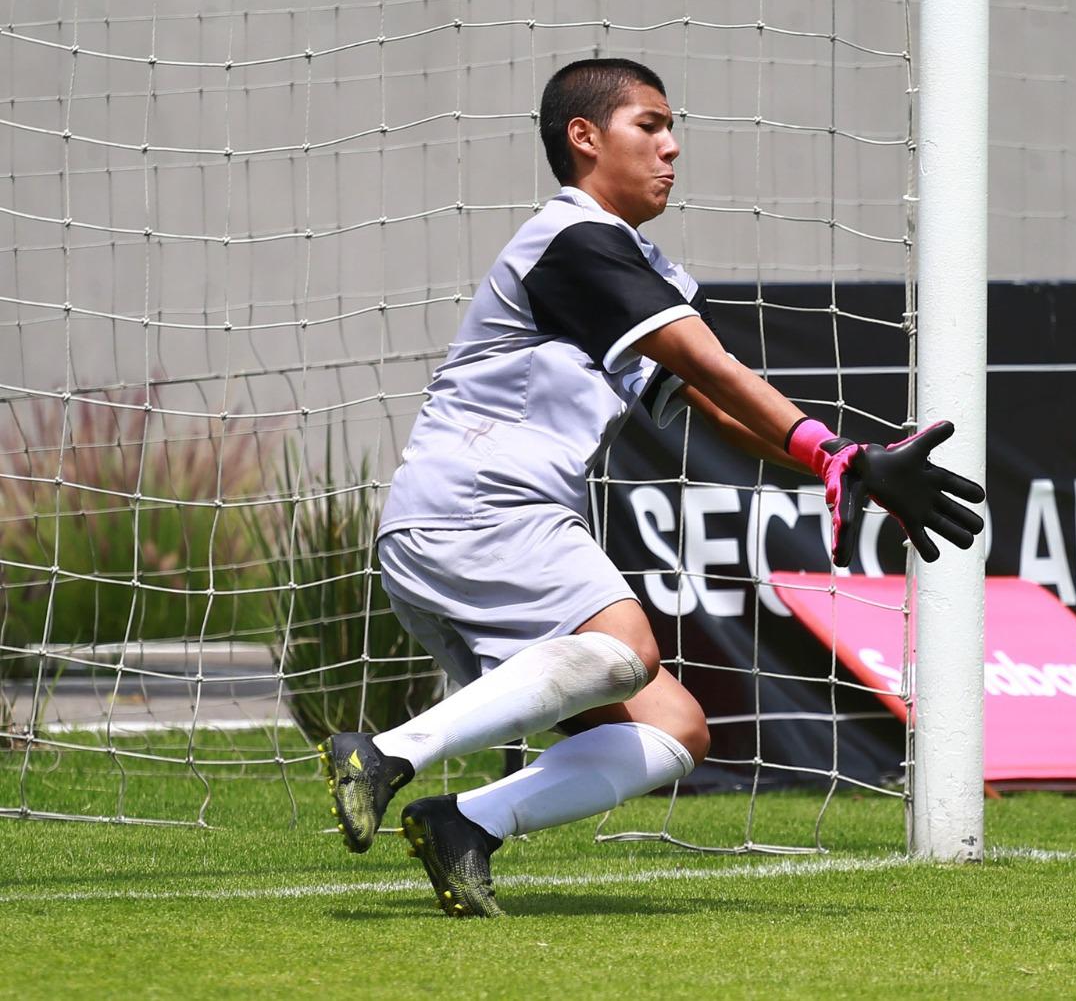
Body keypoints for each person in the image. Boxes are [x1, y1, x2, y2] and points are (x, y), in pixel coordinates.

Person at [319, 58, 985, 918]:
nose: (672, 147)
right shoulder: (573, 239)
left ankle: (464, 825)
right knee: (628, 647)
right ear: (584, 137)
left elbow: (714, 405)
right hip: (483, 506)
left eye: (673, 130)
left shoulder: (625, 264)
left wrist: (848, 463)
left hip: (451, 530)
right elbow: (716, 365)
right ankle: (384, 755)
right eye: (650, 125)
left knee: (673, 728)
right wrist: (831, 451)